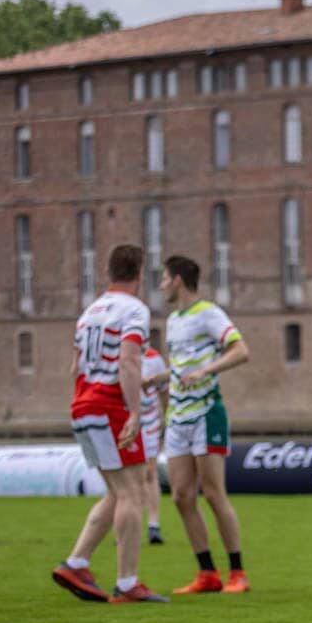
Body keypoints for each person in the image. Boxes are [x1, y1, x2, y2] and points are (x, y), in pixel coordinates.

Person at [50, 244, 169, 603]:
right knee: (133, 492)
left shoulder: (89, 312)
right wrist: (134, 411)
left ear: (108, 271)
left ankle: (76, 563)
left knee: (117, 491)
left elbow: (75, 368)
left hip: (83, 404)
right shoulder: (134, 310)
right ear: (139, 273)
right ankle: (128, 582)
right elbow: (129, 362)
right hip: (109, 406)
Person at [160, 256, 252, 594]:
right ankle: (207, 573)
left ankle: (238, 572)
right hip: (178, 417)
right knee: (182, 496)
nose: (161, 286)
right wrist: (158, 379)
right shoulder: (172, 320)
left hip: (206, 413)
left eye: (164, 279)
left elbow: (241, 351)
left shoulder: (209, 313)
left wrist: (207, 370)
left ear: (179, 280)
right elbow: (181, 366)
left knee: (213, 494)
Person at [140, 339, 170, 545]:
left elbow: (163, 390)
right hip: (122, 419)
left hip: (148, 419)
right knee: (126, 477)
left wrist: (168, 417)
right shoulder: (117, 355)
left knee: (150, 472)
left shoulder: (153, 358)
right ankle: (123, 527)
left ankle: (153, 525)